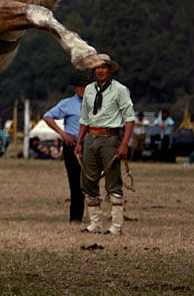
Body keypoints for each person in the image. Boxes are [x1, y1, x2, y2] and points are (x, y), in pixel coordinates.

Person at [74, 54, 135, 235]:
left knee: (113, 181)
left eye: (103, 67)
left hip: (110, 138)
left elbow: (130, 119)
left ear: (109, 70)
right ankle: (95, 223)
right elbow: (84, 118)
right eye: (97, 67)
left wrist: (124, 145)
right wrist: (79, 142)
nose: (100, 70)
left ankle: (116, 226)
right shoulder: (89, 91)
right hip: (90, 138)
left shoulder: (120, 90)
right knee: (88, 181)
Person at [43, 71, 92, 223]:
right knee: (75, 182)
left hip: (90, 145)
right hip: (72, 144)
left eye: (84, 86)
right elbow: (47, 116)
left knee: (90, 182)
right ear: (74, 88)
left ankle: (94, 217)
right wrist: (62, 134)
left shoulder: (96, 102)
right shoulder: (67, 103)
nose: (81, 89)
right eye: (78, 86)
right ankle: (76, 217)